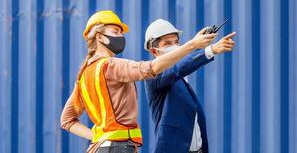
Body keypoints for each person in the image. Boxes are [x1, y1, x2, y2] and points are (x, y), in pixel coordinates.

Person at [60, 11, 218, 153]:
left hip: (98, 148)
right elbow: (151, 68)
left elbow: (67, 120)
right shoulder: (111, 65)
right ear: (99, 37)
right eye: (115, 31)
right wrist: (193, 45)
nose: (120, 36)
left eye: (121, 33)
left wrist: (98, 135)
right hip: (119, 148)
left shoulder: (83, 75)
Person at [144, 19, 236, 153]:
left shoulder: (179, 78)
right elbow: (179, 68)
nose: (175, 46)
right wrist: (209, 49)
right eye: (168, 43)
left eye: (176, 42)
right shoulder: (153, 76)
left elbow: (183, 65)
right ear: (154, 52)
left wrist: (198, 45)